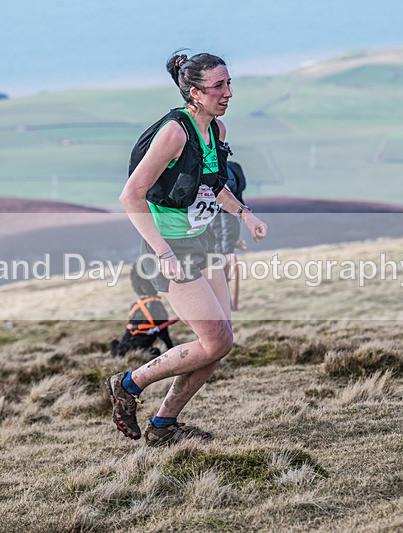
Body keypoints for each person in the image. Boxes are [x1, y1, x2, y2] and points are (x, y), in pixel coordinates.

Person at [105, 52, 267, 447]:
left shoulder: (217, 130)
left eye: (229, 84)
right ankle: (128, 384)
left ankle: (163, 426)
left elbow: (213, 184)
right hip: (171, 248)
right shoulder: (174, 134)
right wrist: (163, 254)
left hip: (204, 240)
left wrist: (245, 215)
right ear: (194, 93)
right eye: (218, 87)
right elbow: (131, 196)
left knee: (218, 344)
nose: (227, 93)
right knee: (215, 341)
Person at [110, 262, 175, 359]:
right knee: (155, 351)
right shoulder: (156, 306)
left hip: (124, 349)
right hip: (140, 350)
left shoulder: (135, 306)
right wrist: (172, 349)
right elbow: (164, 334)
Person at [210, 160, 249, 309]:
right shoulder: (231, 171)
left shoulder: (222, 178)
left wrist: (228, 248)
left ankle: (223, 308)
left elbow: (228, 215)